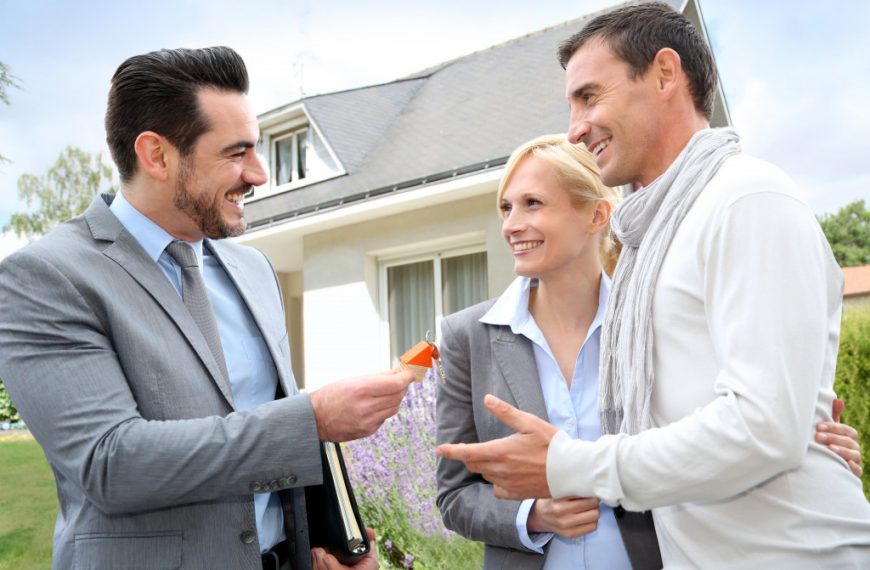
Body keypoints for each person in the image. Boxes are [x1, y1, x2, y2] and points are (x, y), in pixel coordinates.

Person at [437, 3, 870, 567]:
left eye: (590, 96)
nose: (574, 128)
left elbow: (764, 427)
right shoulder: (648, 244)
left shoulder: (747, 200)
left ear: (666, 75)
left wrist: (569, 464)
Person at [0, 46, 412, 570]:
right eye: (236, 153)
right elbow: (110, 463)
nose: (259, 174)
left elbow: (266, 433)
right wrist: (312, 419)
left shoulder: (254, 271)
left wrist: (335, 545)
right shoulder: (47, 277)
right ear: (157, 155)